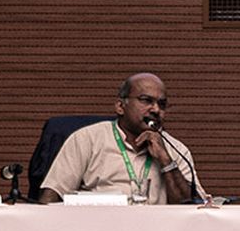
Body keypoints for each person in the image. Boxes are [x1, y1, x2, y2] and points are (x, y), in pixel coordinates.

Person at [39, 73, 203, 204]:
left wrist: (166, 161)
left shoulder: (176, 150)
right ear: (120, 106)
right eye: (146, 100)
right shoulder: (87, 139)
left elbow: (190, 208)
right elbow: (51, 197)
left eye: (162, 104)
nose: (156, 109)